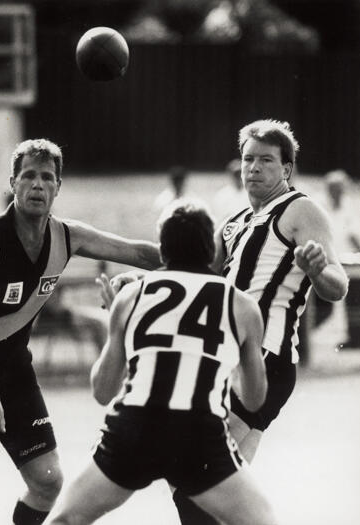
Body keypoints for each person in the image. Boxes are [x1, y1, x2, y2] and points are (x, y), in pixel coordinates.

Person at [0, 138, 160, 525]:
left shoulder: (67, 236)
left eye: (47, 177)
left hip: (12, 364)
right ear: (12, 183)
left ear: (58, 187)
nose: (37, 185)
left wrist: (198, 260)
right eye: (28, 176)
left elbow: (139, 253)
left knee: (48, 481)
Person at [45, 199, 280, 525]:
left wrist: (123, 326)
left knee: (64, 519)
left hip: (134, 427)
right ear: (209, 251)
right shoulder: (240, 303)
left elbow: (102, 391)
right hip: (198, 433)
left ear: (163, 249)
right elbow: (255, 399)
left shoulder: (131, 296)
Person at [170, 119, 348, 524]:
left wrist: (318, 269)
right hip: (228, 359)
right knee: (221, 486)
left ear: (286, 169)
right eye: (248, 159)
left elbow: (337, 285)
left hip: (262, 358)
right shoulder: (236, 222)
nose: (253, 168)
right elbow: (191, 274)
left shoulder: (299, 209)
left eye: (266, 160)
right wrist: (141, 282)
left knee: (196, 474)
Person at [315, 169, 360, 348]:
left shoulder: (351, 206)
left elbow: (354, 235)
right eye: (334, 188)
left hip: (350, 261)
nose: (337, 192)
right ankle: (303, 337)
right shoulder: (319, 205)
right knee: (323, 305)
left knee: (354, 303)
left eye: (340, 188)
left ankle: (355, 339)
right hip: (327, 261)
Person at [211, 158, 250, 224]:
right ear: (230, 175)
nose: (238, 177)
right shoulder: (221, 195)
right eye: (236, 174)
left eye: (240, 173)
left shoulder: (252, 194)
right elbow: (218, 218)